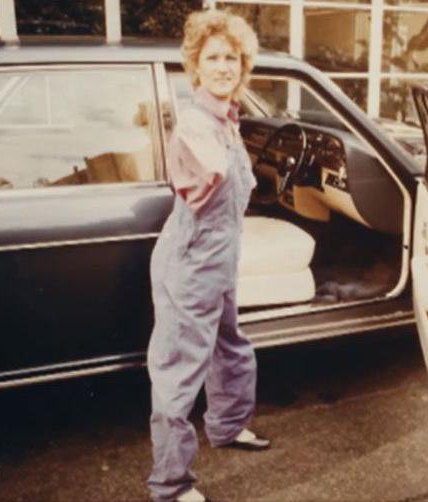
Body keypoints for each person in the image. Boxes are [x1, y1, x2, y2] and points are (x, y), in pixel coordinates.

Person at [146, 9, 268, 502]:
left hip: (221, 258)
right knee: (178, 374)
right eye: (213, 58)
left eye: (232, 58)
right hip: (191, 265)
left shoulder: (228, 118)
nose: (223, 67)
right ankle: (171, 486)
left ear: (243, 65)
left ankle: (227, 425)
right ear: (195, 66)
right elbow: (207, 169)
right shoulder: (197, 124)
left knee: (230, 344)